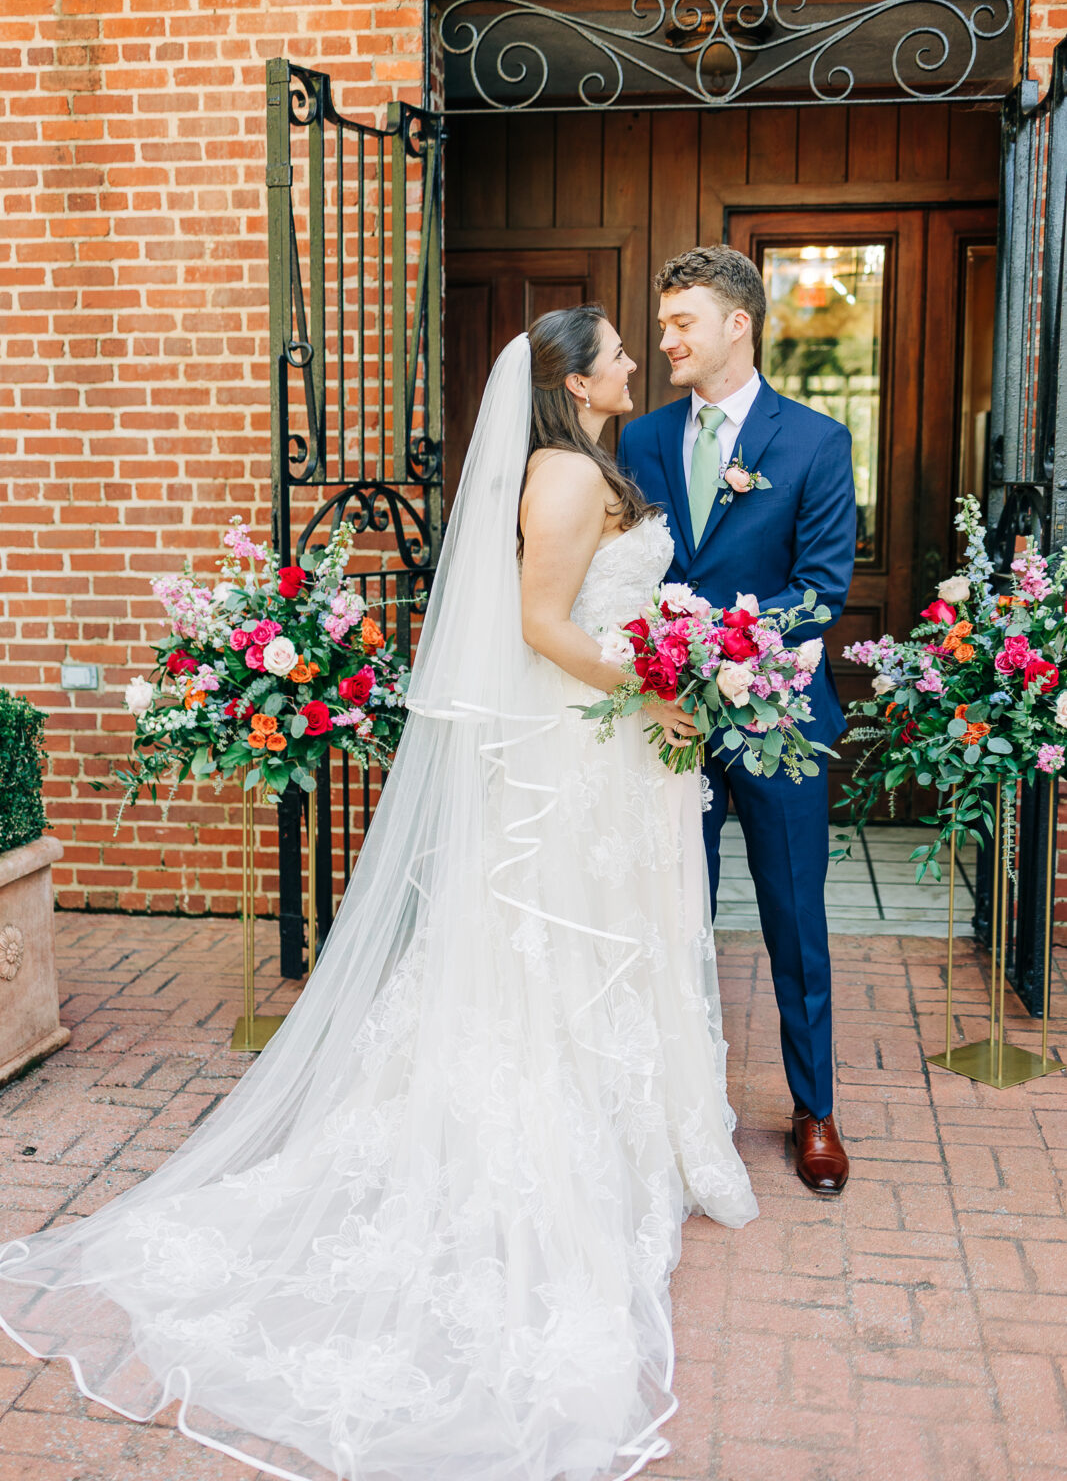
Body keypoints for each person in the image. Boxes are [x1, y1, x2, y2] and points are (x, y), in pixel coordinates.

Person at [0, 307, 756, 1481]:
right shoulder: (560, 476)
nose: (627, 360)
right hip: (580, 755)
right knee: (547, 948)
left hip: (617, 758)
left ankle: (625, 1131)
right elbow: (541, 625)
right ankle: (538, 1148)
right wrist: (655, 686)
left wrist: (680, 659)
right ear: (571, 378)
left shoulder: (600, 462)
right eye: (612, 347)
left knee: (609, 942)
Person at [616, 247, 856, 1196]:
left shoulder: (815, 441)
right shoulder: (638, 442)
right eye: (664, 323)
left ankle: (814, 1107)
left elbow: (820, 589)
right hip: (671, 720)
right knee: (675, 913)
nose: (664, 339)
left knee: (795, 919)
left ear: (737, 325)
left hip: (779, 719)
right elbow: (632, 575)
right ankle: (684, 1106)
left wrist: (724, 653)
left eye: (680, 323)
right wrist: (667, 666)